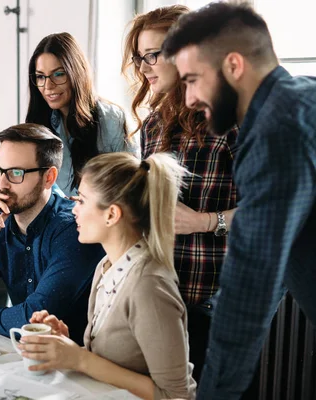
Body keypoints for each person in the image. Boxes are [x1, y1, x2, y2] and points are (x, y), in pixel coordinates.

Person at [161, 3, 316, 399]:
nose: (190, 98)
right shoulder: (303, 98)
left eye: (194, 79)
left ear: (233, 65)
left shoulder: (275, 131)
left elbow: (253, 279)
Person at [121, 5, 238, 384]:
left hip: (218, 301)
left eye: (154, 54)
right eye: (141, 57)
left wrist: (207, 221)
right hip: (163, 295)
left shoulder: (235, 118)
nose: (145, 66)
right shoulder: (154, 122)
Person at [20, 152, 196, 400]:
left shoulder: (149, 287)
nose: (74, 210)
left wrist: (80, 359)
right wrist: (64, 346)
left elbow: (176, 395)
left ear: (112, 214)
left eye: (81, 200)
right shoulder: (107, 266)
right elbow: (114, 363)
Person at [0, 123, 105, 345]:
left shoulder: (74, 229)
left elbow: (35, 317)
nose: (2, 184)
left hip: (80, 365)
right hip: (29, 358)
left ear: (49, 177)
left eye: (16, 173)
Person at [25, 32, 137, 197]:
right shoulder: (39, 124)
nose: (48, 86)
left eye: (58, 74)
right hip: (57, 220)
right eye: (41, 77)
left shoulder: (112, 119)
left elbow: (132, 188)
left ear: (76, 73)